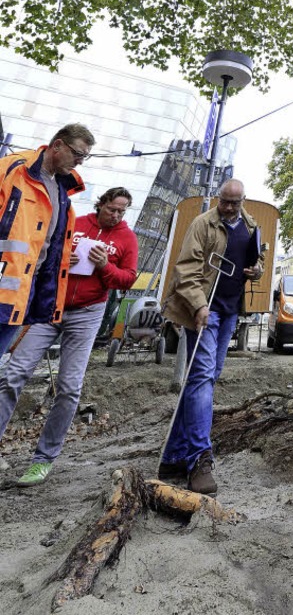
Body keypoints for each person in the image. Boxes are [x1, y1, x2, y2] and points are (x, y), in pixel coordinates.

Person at [0, 186, 138, 485]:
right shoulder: (76, 222)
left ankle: (43, 459)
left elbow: (128, 278)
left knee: (69, 386)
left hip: (88, 313)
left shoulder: (126, 237)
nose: (116, 215)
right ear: (101, 204)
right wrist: (63, 261)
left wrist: (105, 267)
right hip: (52, 306)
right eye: (112, 209)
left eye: (121, 211)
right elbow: (44, 251)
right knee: (14, 373)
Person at [159, 179, 263, 495]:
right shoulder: (203, 224)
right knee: (202, 377)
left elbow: (255, 260)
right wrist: (199, 305)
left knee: (205, 379)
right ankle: (199, 461)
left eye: (235, 202)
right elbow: (185, 270)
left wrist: (256, 270)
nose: (229, 207)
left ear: (243, 200)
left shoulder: (250, 224)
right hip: (203, 311)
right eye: (225, 201)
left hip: (230, 310)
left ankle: (174, 456)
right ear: (219, 198)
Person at [0, 123, 95, 359]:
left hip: (22, 288)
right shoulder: (14, 169)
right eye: (78, 154)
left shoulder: (62, 191)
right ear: (58, 145)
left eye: (86, 157)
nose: (80, 161)